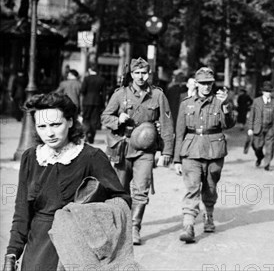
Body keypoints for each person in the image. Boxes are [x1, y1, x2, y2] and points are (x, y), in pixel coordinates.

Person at [2, 92, 130, 271]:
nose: (50, 132)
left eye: (56, 124)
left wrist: (85, 212)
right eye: (42, 126)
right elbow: (22, 212)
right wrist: (12, 253)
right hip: (37, 250)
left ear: (70, 122)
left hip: (78, 250)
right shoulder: (31, 157)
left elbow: (122, 200)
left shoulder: (91, 157)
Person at [101, 57, 174, 245]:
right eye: (137, 73)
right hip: (123, 147)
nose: (141, 77)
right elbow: (105, 117)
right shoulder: (120, 94)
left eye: (144, 73)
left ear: (149, 74)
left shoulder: (158, 96)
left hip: (146, 150)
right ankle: (120, 227)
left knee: (142, 190)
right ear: (131, 74)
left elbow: (167, 125)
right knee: (119, 190)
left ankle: (134, 228)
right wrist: (118, 120)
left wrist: (166, 152)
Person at [174, 67, 235, 243]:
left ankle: (208, 215)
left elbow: (229, 124)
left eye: (209, 83)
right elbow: (180, 132)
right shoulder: (186, 103)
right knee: (192, 187)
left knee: (210, 186)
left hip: (214, 150)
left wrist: (225, 106)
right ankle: (188, 225)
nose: (206, 87)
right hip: (191, 150)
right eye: (203, 83)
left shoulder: (220, 101)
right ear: (196, 84)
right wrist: (177, 159)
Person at [247, 81, 274, 171]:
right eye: (266, 91)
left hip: (271, 128)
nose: (268, 93)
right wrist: (250, 128)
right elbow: (252, 114)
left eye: (270, 91)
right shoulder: (256, 101)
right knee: (256, 146)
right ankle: (260, 157)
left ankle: (267, 164)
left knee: (270, 146)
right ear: (263, 92)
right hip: (258, 128)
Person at [81, 63, 107, 144]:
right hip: (97, 101)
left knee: (86, 118)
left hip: (87, 101)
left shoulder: (86, 79)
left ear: (90, 70)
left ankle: (86, 133)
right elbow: (104, 93)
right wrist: (103, 104)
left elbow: (82, 90)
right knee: (94, 120)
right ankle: (92, 135)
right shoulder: (102, 79)